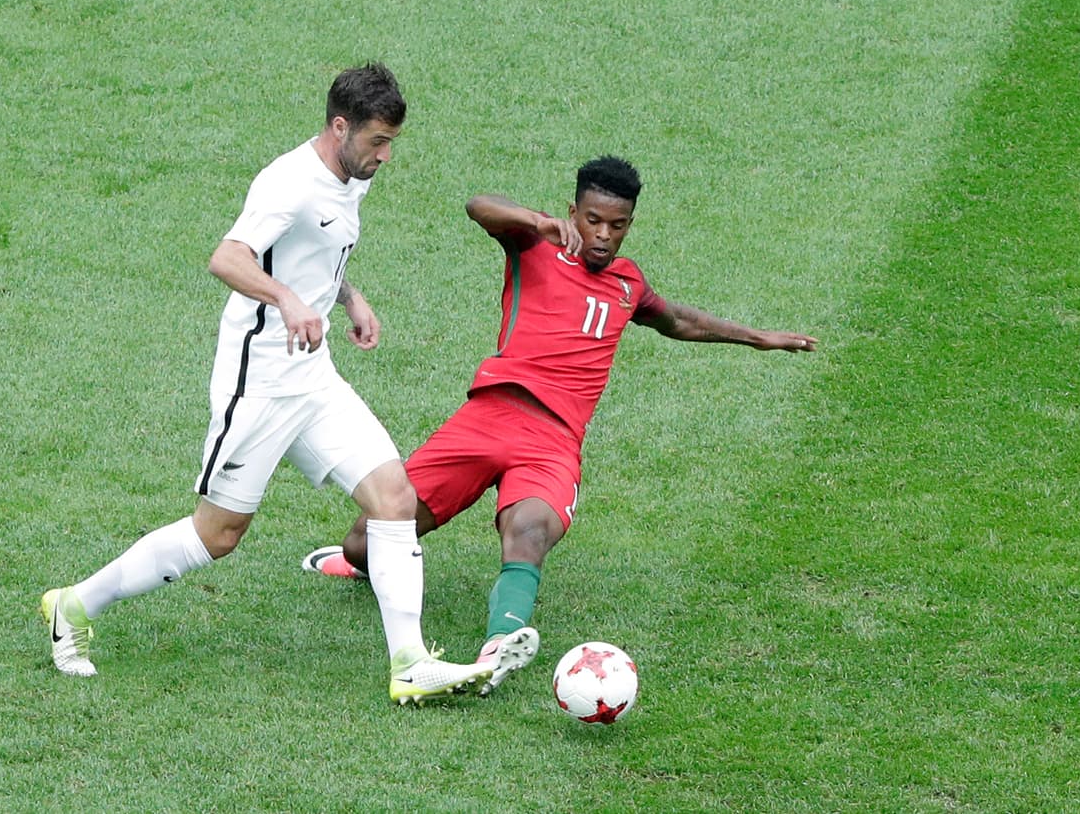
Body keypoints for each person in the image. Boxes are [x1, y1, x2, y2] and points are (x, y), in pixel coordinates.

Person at [41, 63, 493, 704]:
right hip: (259, 382)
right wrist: (285, 299)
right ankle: (74, 605)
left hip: (314, 375)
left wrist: (348, 297)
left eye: (391, 142)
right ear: (340, 127)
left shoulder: (350, 175)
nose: (386, 156)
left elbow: (314, 255)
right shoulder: (289, 183)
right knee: (217, 535)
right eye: (377, 142)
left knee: (394, 498)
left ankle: (410, 663)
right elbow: (228, 257)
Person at [305, 155, 818, 695]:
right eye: (593, 220)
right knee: (368, 539)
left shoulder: (628, 284)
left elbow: (680, 321)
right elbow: (478, 207)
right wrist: (540, 222)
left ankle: (500, 645)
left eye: (617, 226)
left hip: (552, 442)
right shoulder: (536, 245)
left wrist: (759, 337)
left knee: (528, 530)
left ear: (629, 225)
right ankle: (356, 563)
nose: (602, 235)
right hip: (487, 417)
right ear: (574, 212)